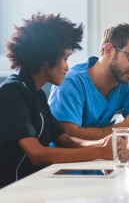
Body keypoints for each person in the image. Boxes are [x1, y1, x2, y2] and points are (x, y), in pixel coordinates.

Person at [0, 13, 113, 188]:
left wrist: (104, 144)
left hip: (36, 189)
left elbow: (64, 140)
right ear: (47, 57)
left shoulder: (36, 94)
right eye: (65, 58)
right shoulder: (12, 92)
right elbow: (37, 154)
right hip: (13, 193)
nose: (67, 67)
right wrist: (100, 151)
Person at [48, 23, 129, 141]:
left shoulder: (125, 83)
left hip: (102, 158)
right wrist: (124, 128)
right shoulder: (72, 82)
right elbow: (67, 137)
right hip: (70, 159)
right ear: (108, 50)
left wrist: (116, 132)